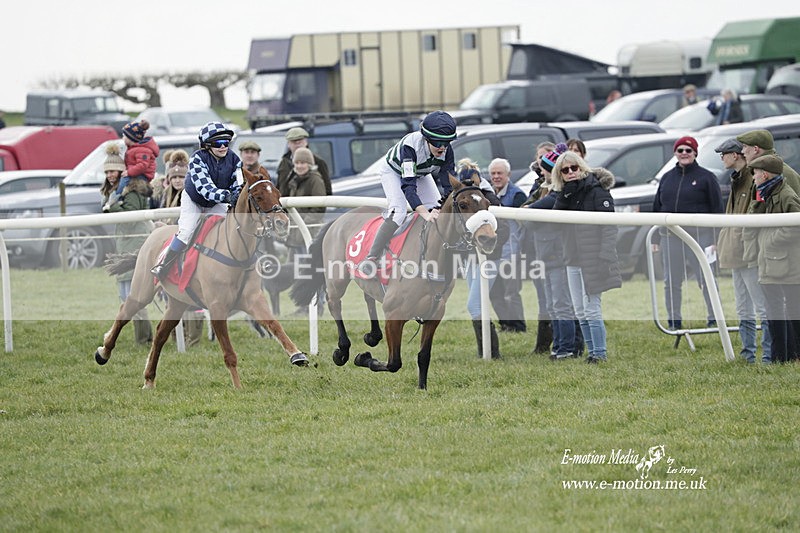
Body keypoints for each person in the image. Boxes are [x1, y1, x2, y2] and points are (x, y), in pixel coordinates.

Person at [359, 110, 457, 271]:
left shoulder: (447, 151)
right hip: (394, 172)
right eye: (438, 143)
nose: (442, 148)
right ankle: (372, 257)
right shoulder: (410, 147)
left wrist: (442, 207)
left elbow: (449, 185)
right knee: (399, 212)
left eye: (446, 143)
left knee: (436, 210)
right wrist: (425, 214)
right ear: (427, 139)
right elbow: (409, 187)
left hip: (420, 172)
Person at [551, 151, 621, 363]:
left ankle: (599, 354)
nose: (571, 172)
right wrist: (566, 194)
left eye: (574, 168)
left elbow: (609, 228)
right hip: (572, 258)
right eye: (565, 170)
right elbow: (556, 220)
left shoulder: (597, 191)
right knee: (580, 310)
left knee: (591, 308)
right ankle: (592, 353)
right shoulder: (566, 194)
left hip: (594, 259)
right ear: (560, 174)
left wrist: (605, 258)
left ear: (582, 167)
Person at [149, 122, 242, 280]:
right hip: (195, 199)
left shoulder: (234, 159)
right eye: (218, 143)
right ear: (207, 145)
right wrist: (227, 196)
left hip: (216, 201)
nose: (223, 147)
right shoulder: (197, 159)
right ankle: (163, 264)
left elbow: (238, 182)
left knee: (231, 228)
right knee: (186, 232)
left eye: (226, 142)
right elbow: (205, 188)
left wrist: (237, 193)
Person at [652, 136, 724, 330]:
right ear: (675, 153)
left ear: (695, 153)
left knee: (706, 279)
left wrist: (716, 240)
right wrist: (657, 237)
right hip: (670, 238)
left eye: (688, 150)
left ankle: (714, 318)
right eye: (680, 150)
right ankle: (674, 321)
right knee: (671, 282)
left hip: (701, 238)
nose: (684, 153)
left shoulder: (707, 178)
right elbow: (657, 209)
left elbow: (718, 210)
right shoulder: (667, 178)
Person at [714, 138, 771, 363]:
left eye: (724, 154)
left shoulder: (752, 178)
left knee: (760, 307)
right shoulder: (738, 179)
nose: (721, 158)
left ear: (735, 155)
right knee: (742, 307)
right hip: (736, 251)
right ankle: (748, 354)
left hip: (749, 252)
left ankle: (767, 354)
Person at [742, 154, 800, 363]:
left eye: (755, 173)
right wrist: (757, 202)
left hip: (786, 264)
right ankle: (781, 358)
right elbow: (753, 221)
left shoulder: (787, 196)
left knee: (791, 311)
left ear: (765, 174)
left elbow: (795, 226)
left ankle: (788, 357)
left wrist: (770, 241)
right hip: (772, 262)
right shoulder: (764, 193)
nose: (753, 177)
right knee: (775, 312)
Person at [100, 143, 154, 345]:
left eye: (113, 171)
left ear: (121, 170)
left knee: (132, 296)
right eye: (107, 172)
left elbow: (130, 218)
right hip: (125, 245)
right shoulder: (115, 191)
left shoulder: (131, 191)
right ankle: (143, 337)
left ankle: (144, 338)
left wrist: (112, 207)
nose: (110, 175)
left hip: (135, 245)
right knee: (127, 295)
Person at [527, 149, 577, 360]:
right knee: (553, 305)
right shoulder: (545, 190)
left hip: (557, 256)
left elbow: (527, 211)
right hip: (546, 255)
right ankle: (559, 346)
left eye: (546, 170)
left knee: (561, 304)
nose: (542, 173)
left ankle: (566, 348)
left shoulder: (557, 194)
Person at [457, 159, 503, 358]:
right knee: (478, 304)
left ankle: (491, 352)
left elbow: (503, 230)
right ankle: (485, 350)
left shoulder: (489, 198)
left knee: (474, 305)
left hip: (489, 258)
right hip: (470, 258)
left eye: (471, 181)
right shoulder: (465, 198)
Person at [488, 157, 527, 333]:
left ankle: (518, 326)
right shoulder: (489, 195)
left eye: (499, 173)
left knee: (511, 293)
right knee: (494, 293)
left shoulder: (517, 195)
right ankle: (505, 324)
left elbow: (523, 225)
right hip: (494, 252)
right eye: (493, 173)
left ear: (508, 175)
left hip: (511, 252)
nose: (496, 176)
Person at [283, 147, 327, 259]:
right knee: (293, 265)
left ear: (309, 164)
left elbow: (319, 207)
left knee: (306, 265)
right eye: (296, 163)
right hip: (295, 231)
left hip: (310, 231)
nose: (299, 166)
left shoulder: (316, 180)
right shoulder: (294, 180)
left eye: (303, 163)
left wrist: (303, 223)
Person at [736, 129, 800, 195]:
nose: (742, 151)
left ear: (755, 149)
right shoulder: (761, 171)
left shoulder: (781, 173)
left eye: (745, 146)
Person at [110, 119, 159, 201]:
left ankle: (118, 197)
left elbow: (143, 165)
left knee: (124, 179)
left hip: (143, 175)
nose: (123, 138)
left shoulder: (142, 150)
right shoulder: (134, 149)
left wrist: (129, 172)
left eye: (124, 136)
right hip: (137, 173)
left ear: (131, 137)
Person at [276, 127, 331, 196]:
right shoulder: (284, 163)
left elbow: (327, 189)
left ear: (306, 142)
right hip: (286, 204)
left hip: (309, 204)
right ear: (288, 144)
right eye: (293, 142)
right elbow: (279, 187)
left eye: (300, 141)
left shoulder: (319, 162)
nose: (297, 144)